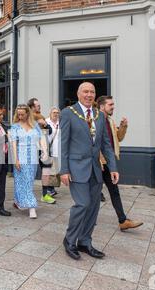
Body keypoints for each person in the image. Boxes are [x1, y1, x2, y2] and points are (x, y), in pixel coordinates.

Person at [60, 82, 119, 261]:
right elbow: (63, 143)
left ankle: (85, 241)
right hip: (76, 167)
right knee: (82, 204)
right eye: (85, 91)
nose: (89, 94)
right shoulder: (68, 113)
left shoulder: (100, 115)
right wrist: (64, 170)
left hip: (95, 169)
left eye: (92, 91)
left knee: (93, 207)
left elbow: (106, 144)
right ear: (78, 94)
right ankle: (69, 240)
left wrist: (113, 168)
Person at [97, 96, 143, 231]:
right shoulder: (94, 120)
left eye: (113, 104)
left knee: (114, 191)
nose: (113, 107)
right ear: (101, 106)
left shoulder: (110, 121)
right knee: (93, 193)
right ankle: (87, 220)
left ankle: (123, 221)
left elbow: (118, 138)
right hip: (96, 162)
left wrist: (123, 126)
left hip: (108, 162)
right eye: (110, 104)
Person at [10, 105, 48, 219]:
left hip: (33, 157)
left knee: (28, 181)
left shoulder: (35, 125)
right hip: (20, 157)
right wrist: (15, 159)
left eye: (22, 114)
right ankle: (32, 207)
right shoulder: (15, 126)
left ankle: (18, 201)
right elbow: (13, 143)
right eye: (18, 114)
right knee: (22, 181)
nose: (20, 116)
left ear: (28, 114)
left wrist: (45, 150)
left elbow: (41, 138)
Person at [42, 107, 61, 202]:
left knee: (55, 170)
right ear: (50, 113)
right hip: (48, 150)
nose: (56, 114)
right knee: (50, 171)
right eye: (54, 112)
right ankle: (49, 189)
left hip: (58, 150)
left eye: (57, 112)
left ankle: (51, 188)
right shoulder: (46, 122)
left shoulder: (60, 122)